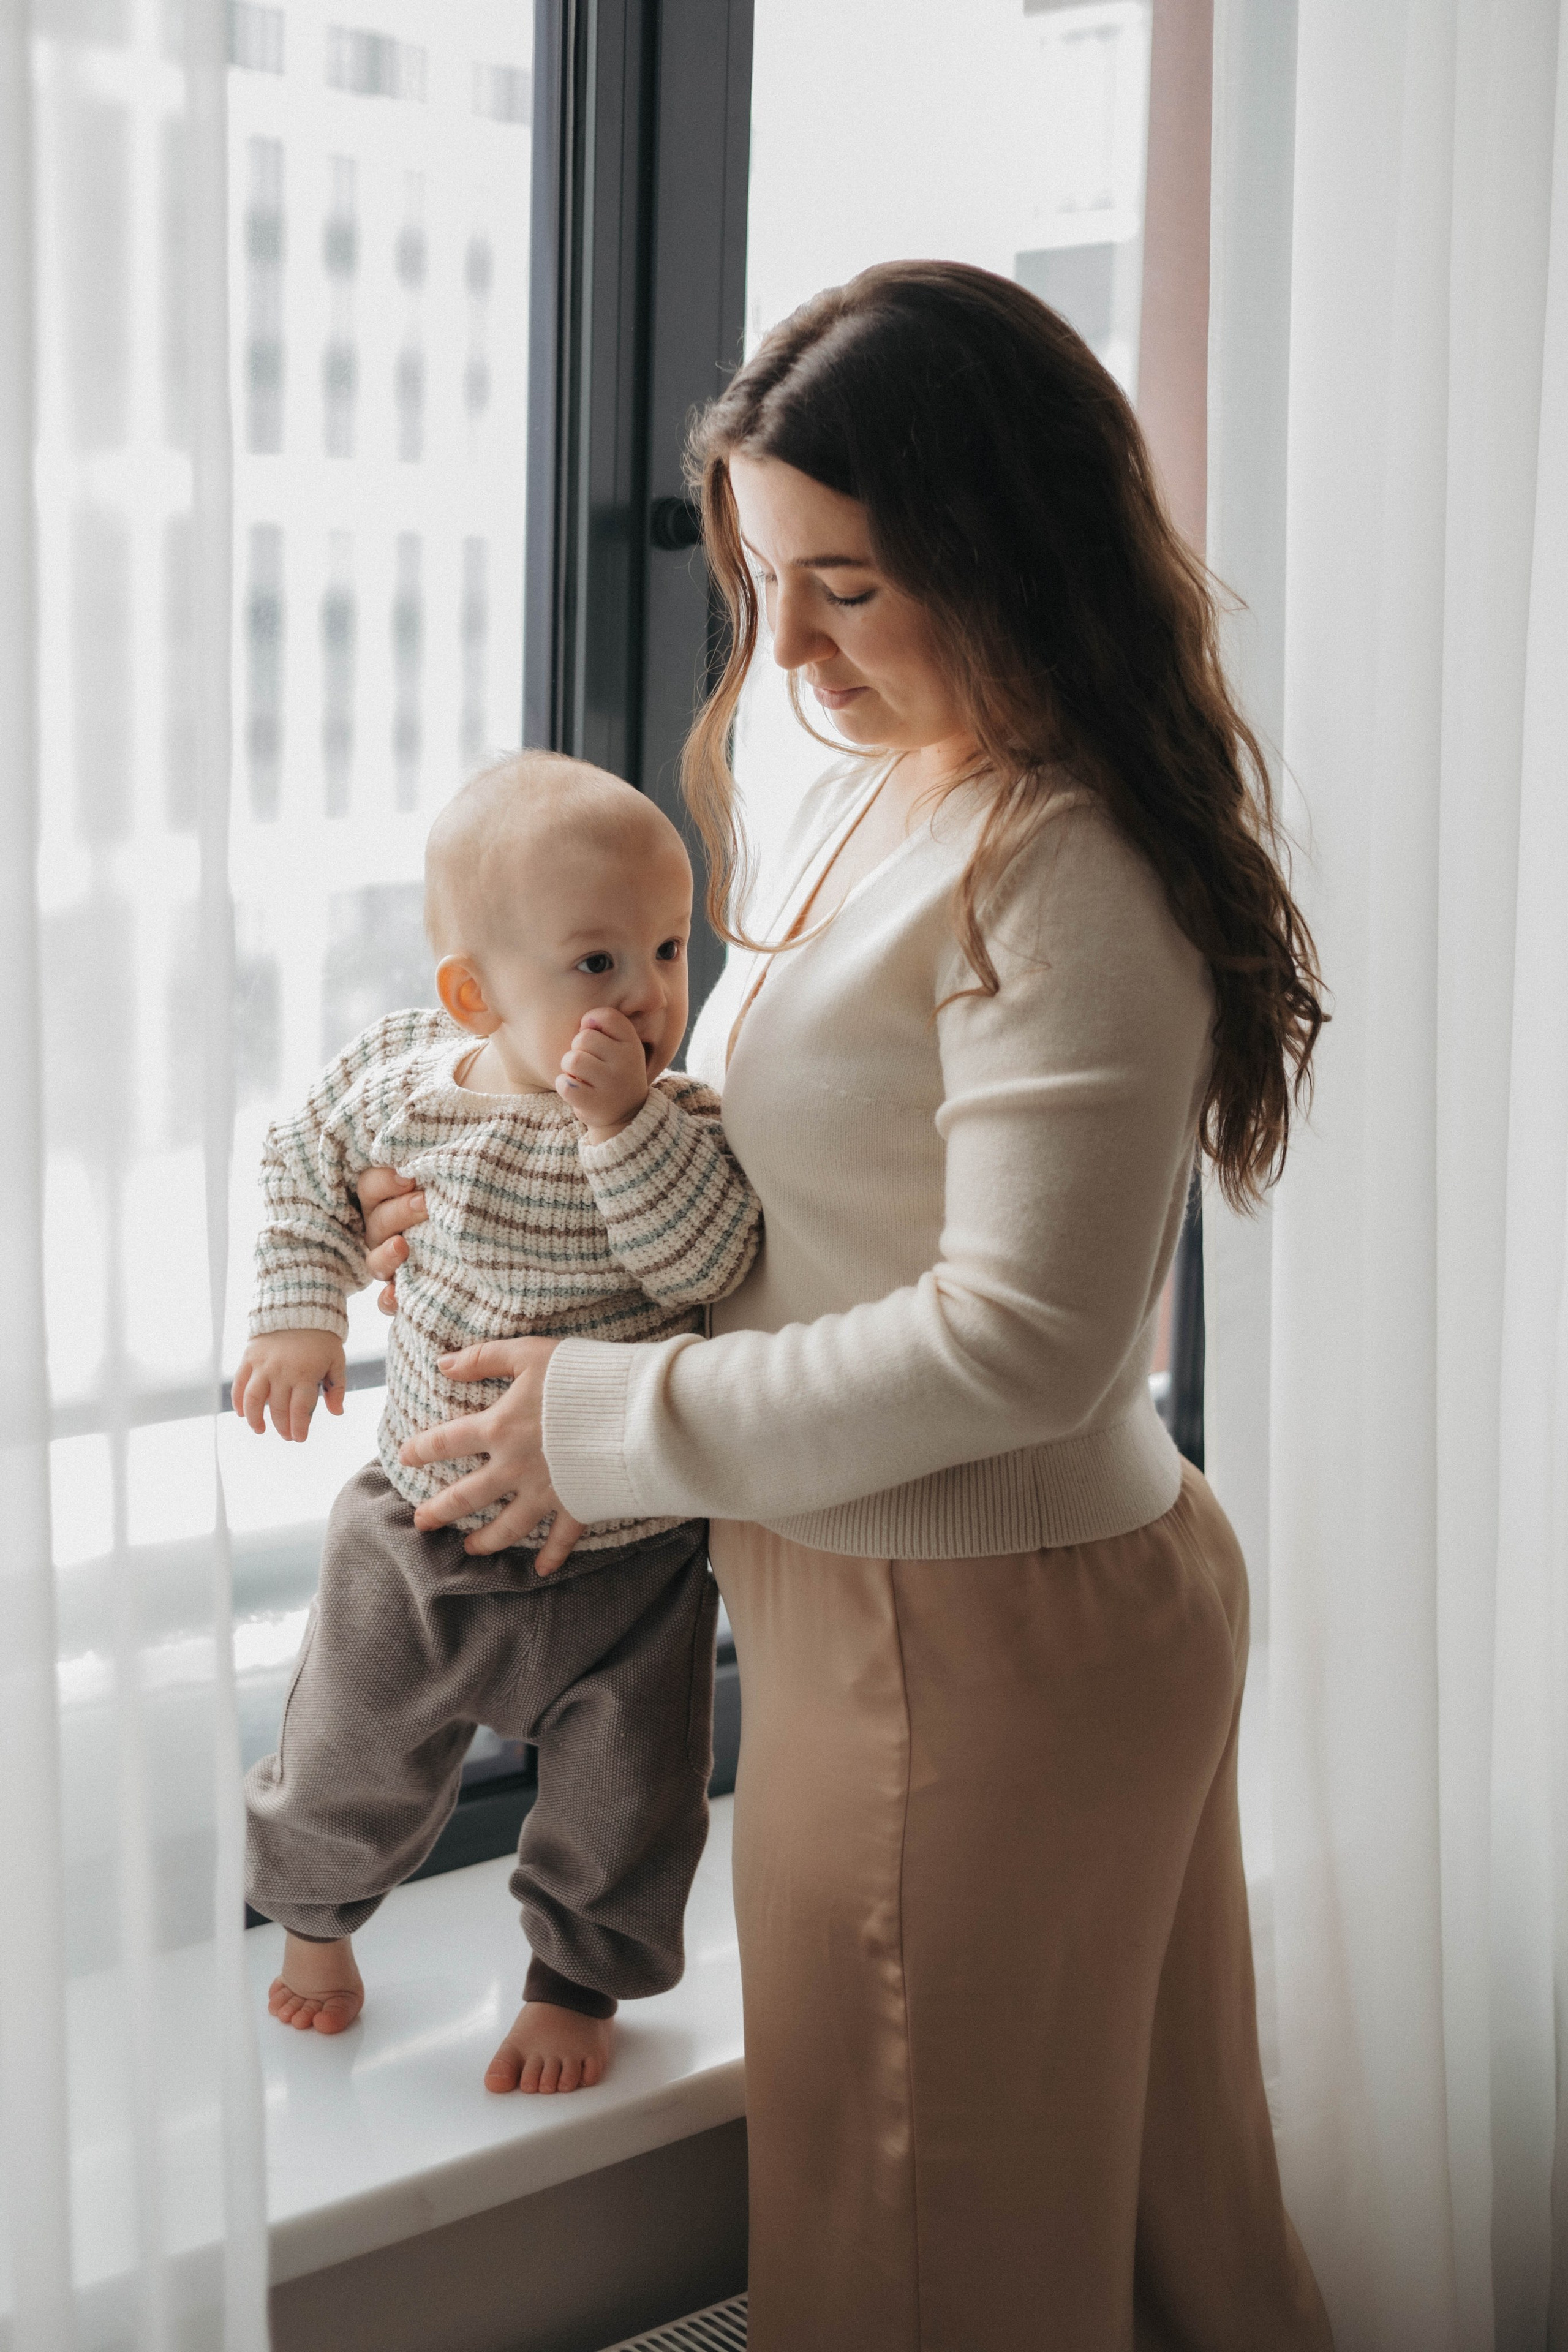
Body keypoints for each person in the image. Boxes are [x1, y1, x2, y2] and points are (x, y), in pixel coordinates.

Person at [355, 264, 1336, 2345]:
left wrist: (603, 1420)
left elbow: (1018, 1341)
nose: (785, 649)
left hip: (967, 1640)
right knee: (1139, 2228)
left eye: (849, 589)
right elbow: (830, 1172)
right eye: (762, 578)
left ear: (1006, 557)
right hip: (938, 1614)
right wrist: (484, 1178)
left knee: (923, 2260)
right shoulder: (915, 782)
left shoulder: (1058, 860)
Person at [235, 752, 761, 2095]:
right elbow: (298, 1159)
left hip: (623, 1560)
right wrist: (300, 1310)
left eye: (662, 947)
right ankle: (312, 1922)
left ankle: (575, 1982)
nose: (644, 992)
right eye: (595, 964)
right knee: (347, 1751)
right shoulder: (406, 1082)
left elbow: (704, 1265)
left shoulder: (679, 1122)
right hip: (420, 1532)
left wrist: (622, 1125)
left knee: (627, 1798)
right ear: (474, 994)